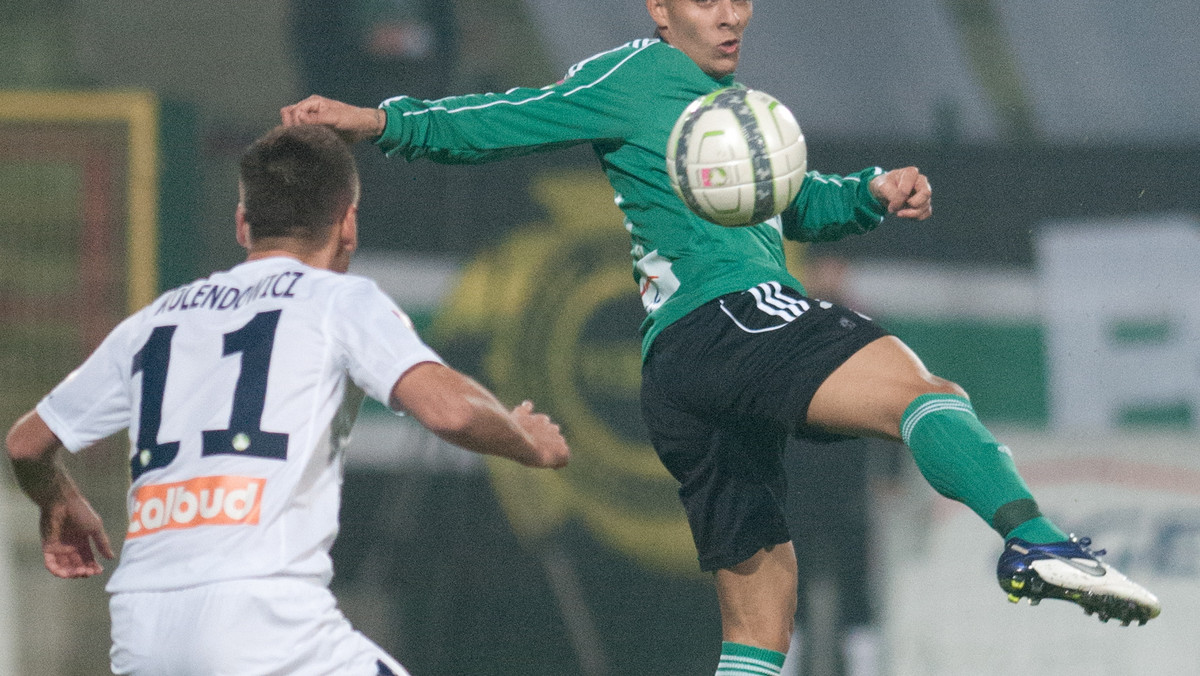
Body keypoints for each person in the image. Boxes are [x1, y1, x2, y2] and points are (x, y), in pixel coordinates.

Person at [280, 0, 1161, 673]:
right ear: (659, 8)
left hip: (681, 370)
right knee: (926, 398)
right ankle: (1036, 542)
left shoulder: (738, 107)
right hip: (731, 318)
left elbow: (796, 204)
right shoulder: (631, 76)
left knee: (761, 607)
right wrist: (377, 121)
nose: (732, 14)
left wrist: (869, 194)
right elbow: (501, 120)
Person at [4, 124, 569, 676]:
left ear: (243, 223)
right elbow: (454, 410)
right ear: (347, 222)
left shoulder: (157, 318)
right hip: (264, 622)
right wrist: (528, 443)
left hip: (142, 627)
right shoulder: (338, 301)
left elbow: (27, 443)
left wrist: (57, 499)